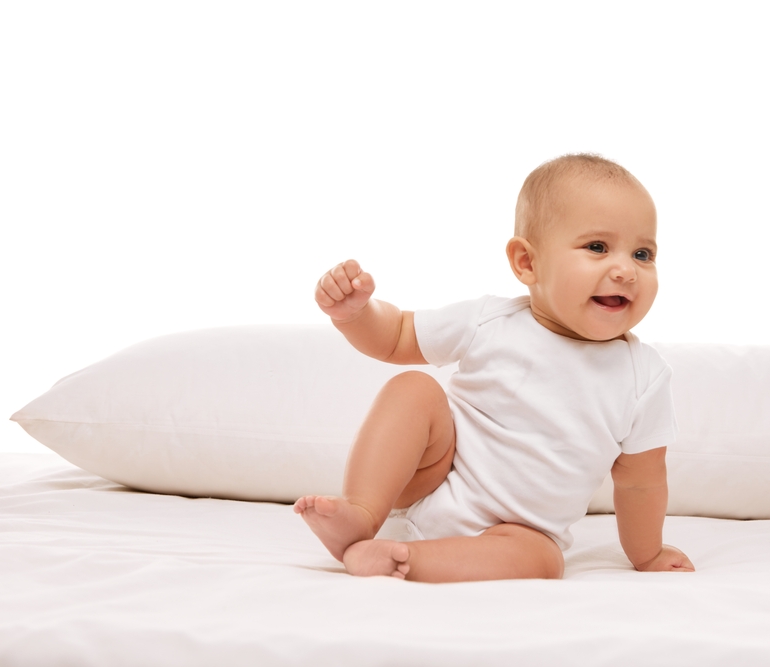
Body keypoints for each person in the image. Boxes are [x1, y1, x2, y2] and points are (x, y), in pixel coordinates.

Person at [294, 153, 695, 582]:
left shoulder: (644, 377)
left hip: (518, 531)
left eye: (642, 253)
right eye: (597, 247)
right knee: (413, 387)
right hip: (434, 478)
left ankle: (402, 558)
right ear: (527, 262)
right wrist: (355, 314)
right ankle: (362, 511)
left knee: (543, 560)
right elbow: (395, 337)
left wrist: (647, 553)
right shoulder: (490, 320)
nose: (626, 270)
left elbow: (640, 483)